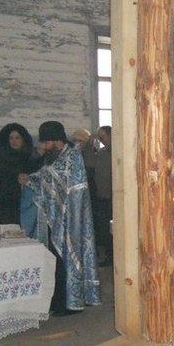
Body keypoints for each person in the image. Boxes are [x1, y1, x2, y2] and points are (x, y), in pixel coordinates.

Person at [19, 121, 100, 315]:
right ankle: (58, 301)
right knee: (55, 261)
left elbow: (65, 183)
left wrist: (36, 178)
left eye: (46, 143)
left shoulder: (73, 157)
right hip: (56, 217)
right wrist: (30, 179)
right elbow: (46, 176)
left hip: (72, 217)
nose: (43, 147)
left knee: (68, 259)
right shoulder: (54, 158)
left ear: (56, 141)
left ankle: (71, 303)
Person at [0, 123, 38, 225]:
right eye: (11, 138)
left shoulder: (31, 157)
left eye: (17, 138)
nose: (14, 141)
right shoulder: (3, 157)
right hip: (6, 205)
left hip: (25, 205)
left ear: (23, 140)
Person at [94, 126, 113, 266]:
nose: (101, 140)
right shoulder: (101, 153)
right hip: (103, 196)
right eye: (99, 138)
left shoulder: (119, 152)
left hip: (114, 197)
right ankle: (109, 255)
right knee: (105, 229)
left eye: (102, 137)